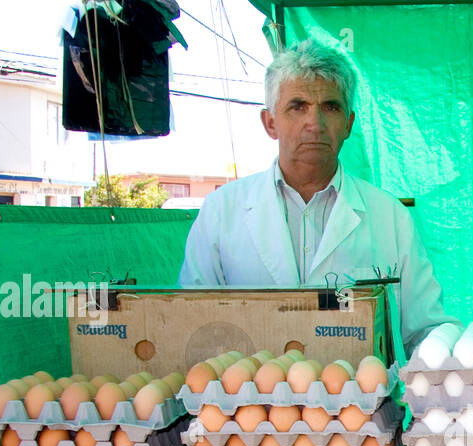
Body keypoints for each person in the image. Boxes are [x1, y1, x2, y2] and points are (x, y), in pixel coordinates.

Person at [178, 39, 451, 356]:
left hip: (362, 403)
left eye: (330, 107)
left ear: (348, 124)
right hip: (245, 402)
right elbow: (192, 324)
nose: (315, 123)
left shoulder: (389, 217)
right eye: (297, 106)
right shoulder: (221, 211)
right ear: (270, 123)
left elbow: (425, 330)